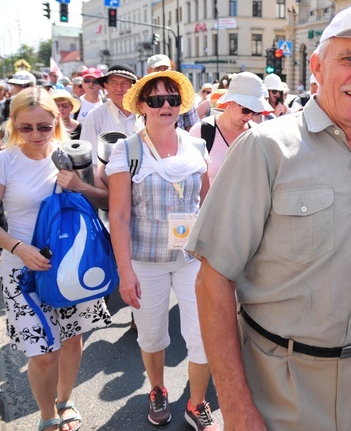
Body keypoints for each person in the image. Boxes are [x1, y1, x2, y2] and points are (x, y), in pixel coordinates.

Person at [185, 4, 351, 429]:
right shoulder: (265, 148)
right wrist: (235, 408)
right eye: (349, 58)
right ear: (317, 66)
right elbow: (213, 280)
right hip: (279, 390)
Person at [106, 71, 218, 430]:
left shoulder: (196, 146)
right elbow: (120, 217)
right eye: (156, 100)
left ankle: (197, 402)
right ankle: (157, 388)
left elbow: (205, 201)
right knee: (152, 333)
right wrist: (125, 273)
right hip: (146, 261)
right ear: (142, 106)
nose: (165, 106)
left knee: (202, 334)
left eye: (172, 99)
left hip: (190, 260)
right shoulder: (127, 149)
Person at [0, 86, 112, 431]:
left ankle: (65, 401)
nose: (35, 135)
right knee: (44, 352)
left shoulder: (71, 155)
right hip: (21, 268)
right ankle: (47, 415)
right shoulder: (5, 160)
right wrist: (19, 248)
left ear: (57, 121)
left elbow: (107, 203)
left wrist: (78, 184)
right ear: (13, 125)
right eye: (26, 127)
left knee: (72, 339)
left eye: (43, 127)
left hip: (71, 265)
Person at [189, 72, 273, 185]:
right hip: (210, 203)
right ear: (230, 101)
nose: (249, 116)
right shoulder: (201, 131)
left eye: (255, 111)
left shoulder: (258, 134)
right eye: (246, 109)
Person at [146, 54, 200, 131]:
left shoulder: (182, 94)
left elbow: (192, 128)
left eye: (173, 100)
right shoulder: (143, 93)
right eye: (158, 69)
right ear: (149, 71)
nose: (162, 72)